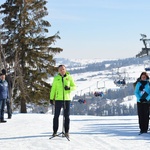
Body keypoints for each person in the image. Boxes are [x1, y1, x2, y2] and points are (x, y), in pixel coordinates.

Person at [50, 65, 76, 138]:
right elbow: (53, 89)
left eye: (63, 69)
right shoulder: (56, 78)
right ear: (58, 70)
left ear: (65, 70)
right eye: (60, 69)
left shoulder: (69, 77)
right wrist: (51, 98)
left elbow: (74, 86)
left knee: (66, 116)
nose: (62, 70)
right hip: (58, 99)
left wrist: (69, 88)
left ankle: (66, 132)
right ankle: (54, 132)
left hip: (67, 99)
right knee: (56, 116)